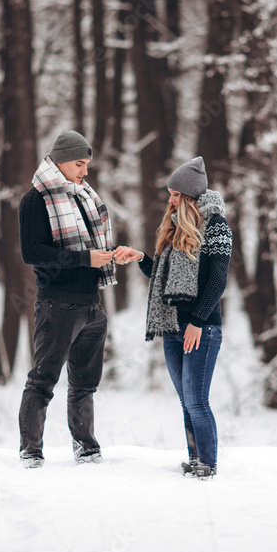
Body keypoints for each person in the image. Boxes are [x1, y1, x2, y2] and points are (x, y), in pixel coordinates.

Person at [114, 157, 232, 479]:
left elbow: (217, 281)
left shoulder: (217, 226)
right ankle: (195, 459)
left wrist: (196, 321)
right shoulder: (176, 228)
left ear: (190, 195)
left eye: (175, 194)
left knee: (197, 401)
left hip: (201, 328)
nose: (170, 200)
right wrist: (141, 258)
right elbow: (164, 280)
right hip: (172, 327)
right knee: (186, 402)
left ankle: (208, 463)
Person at [18, 130, 116, 468]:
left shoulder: (82, 197)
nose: (85, 172)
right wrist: (84, 259)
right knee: (43, 380)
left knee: (85, 385)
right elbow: (33, 252)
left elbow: (90, 247)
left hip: (92, 304)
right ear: (60, 161)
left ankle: (86, 448)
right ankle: (30, 451)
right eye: (79, 164)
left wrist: (110, 256)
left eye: (87, 165)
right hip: (57, 303)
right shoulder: (36, 199)